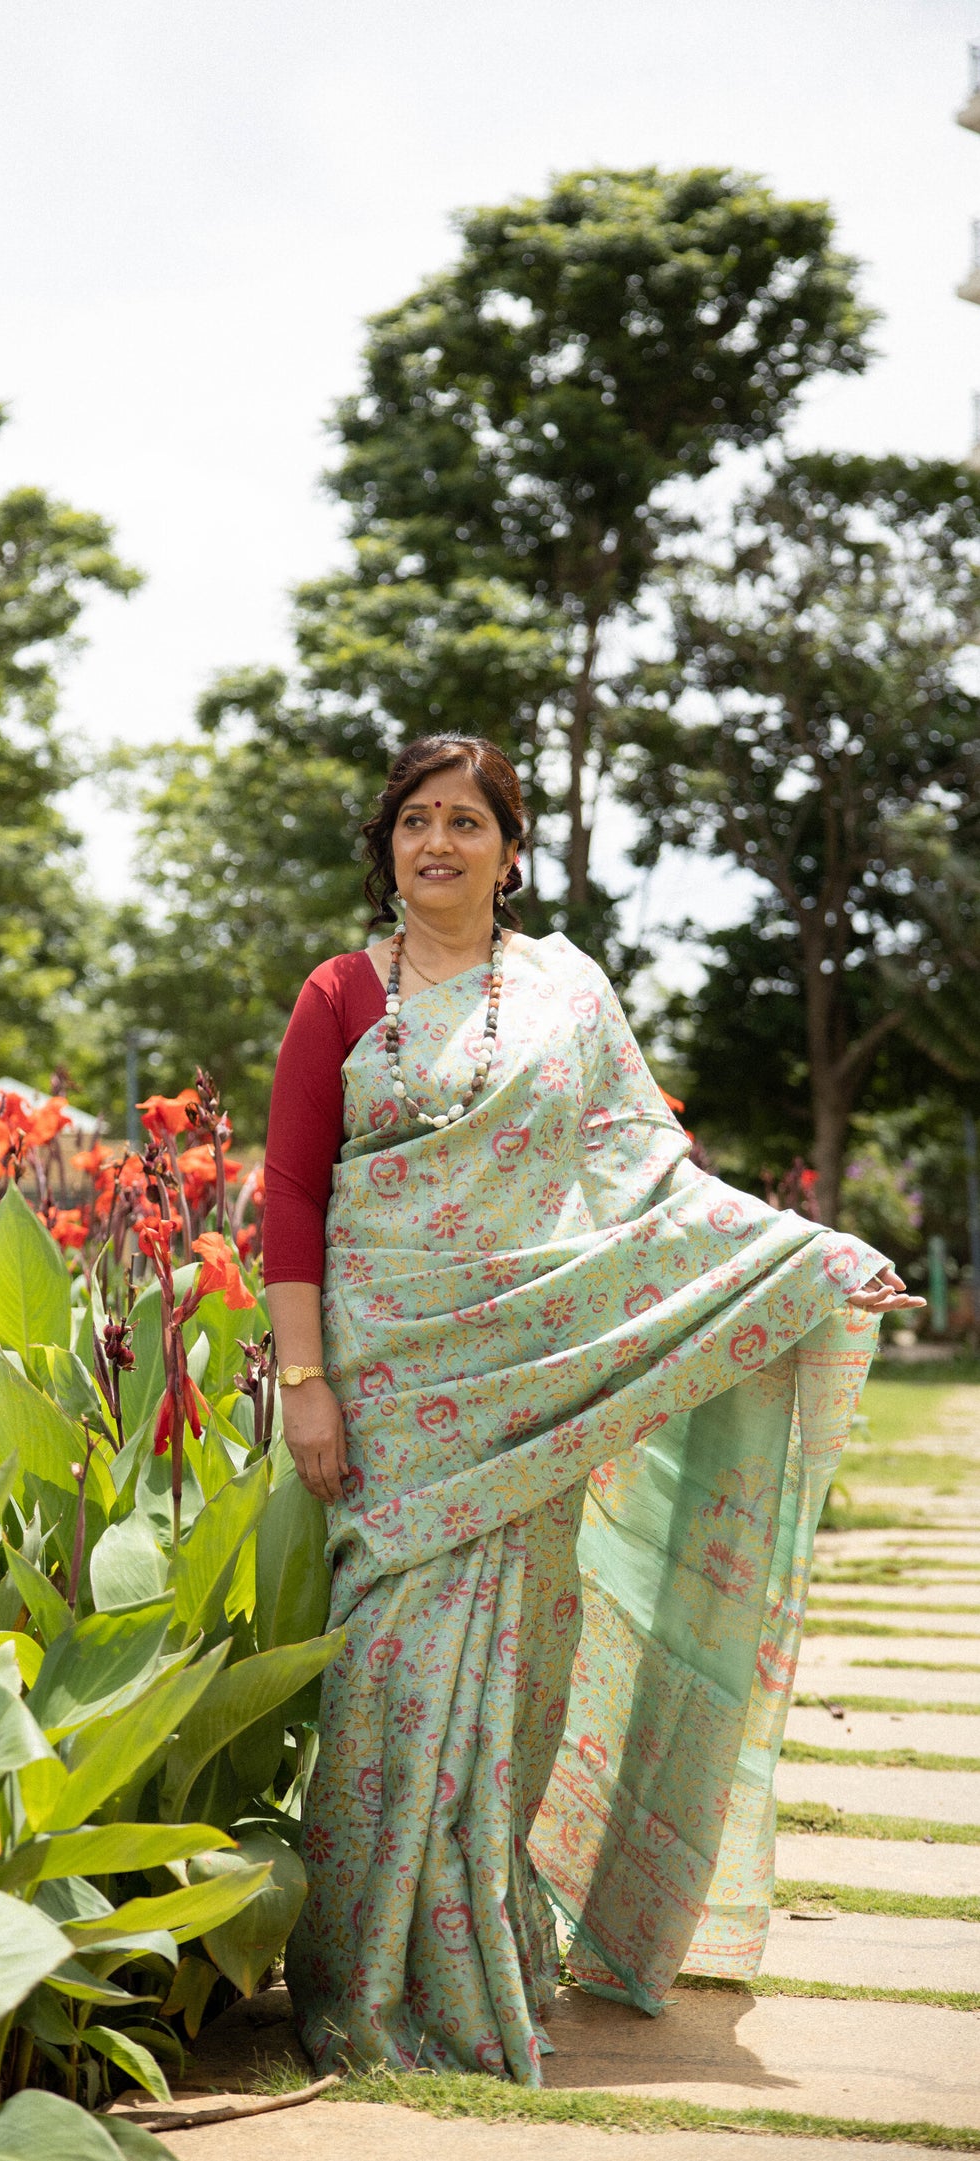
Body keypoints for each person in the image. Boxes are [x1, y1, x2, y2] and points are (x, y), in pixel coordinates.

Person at [264, 734, 920, 2084]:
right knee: (383, 1677)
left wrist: (807, 1259)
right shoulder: (336, 994)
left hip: (531, 1390)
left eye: (465, 823)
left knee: (522, 1670)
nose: (435, 845)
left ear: (511, 850)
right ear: (385, 845)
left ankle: (479, 1955)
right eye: (413, 823)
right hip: (388, 1388)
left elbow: (643, 1168)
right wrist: (306, 1383)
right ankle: (361, 1984)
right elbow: (288, 1200)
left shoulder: (563, 991)